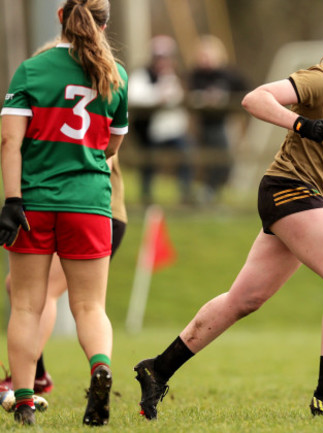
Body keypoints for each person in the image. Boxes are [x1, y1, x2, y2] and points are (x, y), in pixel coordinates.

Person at [133, 12, 323, 419]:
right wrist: (301, 124)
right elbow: (254, 98)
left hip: (313, 199)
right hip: (288, 189)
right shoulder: (321, 80)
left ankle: (157, 369)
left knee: (244, 299)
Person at [0, 0, 128, 425]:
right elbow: (111, 148)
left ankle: (22, 401)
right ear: (105, 23)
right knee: (90, 307)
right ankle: (100, 366)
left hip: (34, 202)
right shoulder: (116, 76)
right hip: (91, 204)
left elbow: (9, 143)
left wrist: (12, 200)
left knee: (25, 306)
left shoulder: (31, 71)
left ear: (61, 17)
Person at [0, 155, 128, 396]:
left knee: (51, 294)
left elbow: (105, 154)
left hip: (93, 210)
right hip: (69, 207)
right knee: (16, 287)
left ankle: (22, 383)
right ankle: (36, 375)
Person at [129, 35, 194, 206]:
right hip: (148, 131)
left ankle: (186, 194)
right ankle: (146, 196)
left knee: (187, 154)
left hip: (171, 131)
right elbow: (135, 97)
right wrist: (158, 96)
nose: (162, 61)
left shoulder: (175, 76)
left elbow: (179, 99)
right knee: (148, 162)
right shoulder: (141, 75)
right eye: (159, 57)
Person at [188, 35, 248, 205]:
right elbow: (190, 95)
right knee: (208, 161)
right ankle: (207, 193)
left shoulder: (229, 74)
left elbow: (246, 90)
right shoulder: (196, 74)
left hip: (226, 123)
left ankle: (212, 192)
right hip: (203, 125)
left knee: (225, 161)